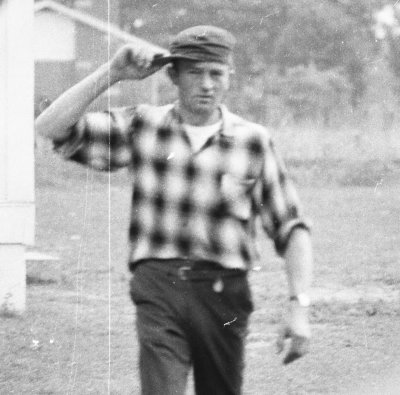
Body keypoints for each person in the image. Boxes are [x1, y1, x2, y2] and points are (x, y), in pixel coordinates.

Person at [36, 25, 313, 395]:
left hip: (223, 294)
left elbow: (291, 227)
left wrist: (299, 307)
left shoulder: (253, 142)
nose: (206, 84)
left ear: (230, 77)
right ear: (173, 76)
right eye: (195, 73)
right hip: (158, 287)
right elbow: (51, 127)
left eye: (216, 73)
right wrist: (113, 72)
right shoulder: (143, 126)